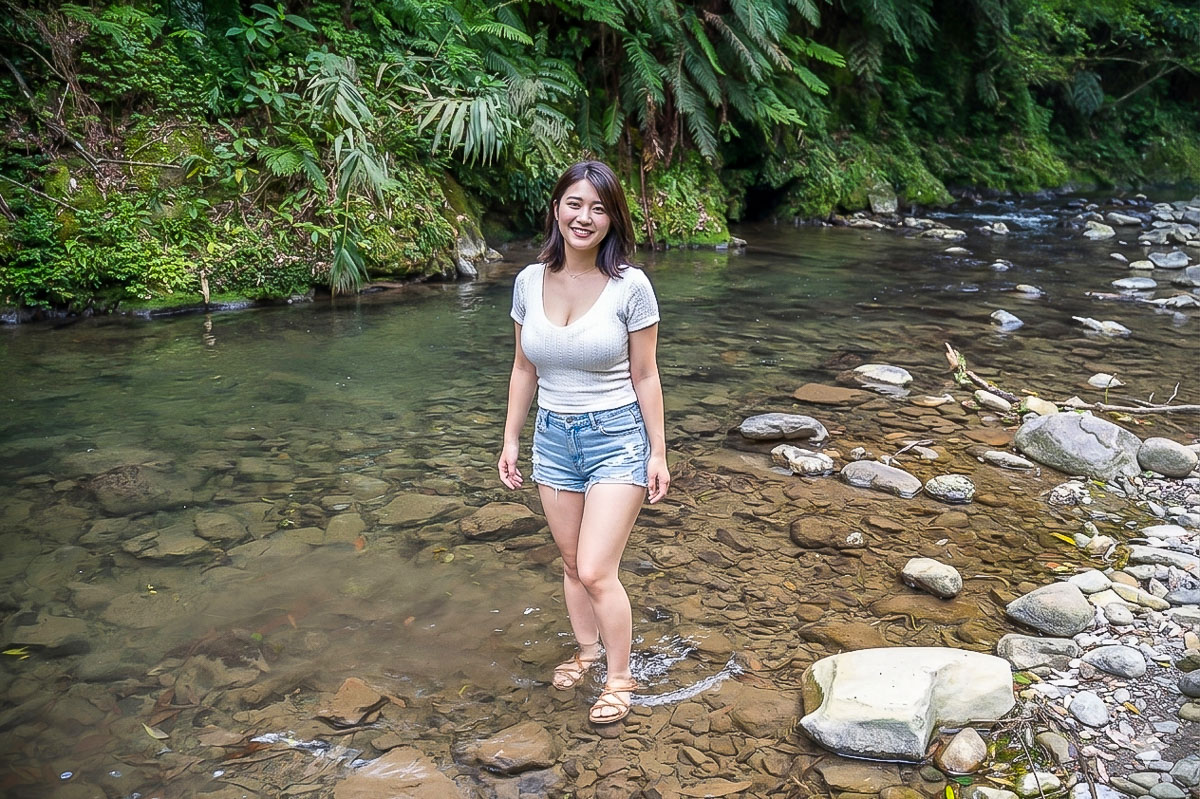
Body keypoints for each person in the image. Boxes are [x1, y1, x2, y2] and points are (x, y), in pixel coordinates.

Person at [498, 160, 669, 724]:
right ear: (556, 208)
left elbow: (646, 375)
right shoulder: (528, 281)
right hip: (553, 438)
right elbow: (524, 367)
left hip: (617, 436)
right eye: (575, 203)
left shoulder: (631, 286)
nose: (584, 217)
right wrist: (511, 441)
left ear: (612, 219)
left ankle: (620, 678)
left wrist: (658, 451)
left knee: (597, 569)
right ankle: (588, 651)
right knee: (571, 565)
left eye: (598, 208)